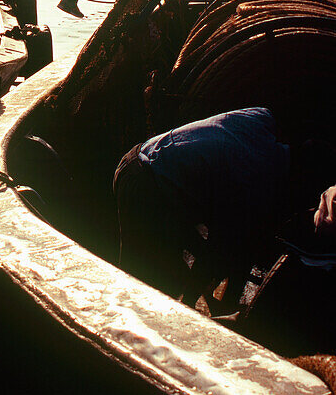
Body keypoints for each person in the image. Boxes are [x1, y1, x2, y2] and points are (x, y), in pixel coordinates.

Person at [113, 107, 335, 298]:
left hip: (142, 155)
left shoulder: (263, 118)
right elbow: (223, 247)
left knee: (171, 272)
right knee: (145, 286)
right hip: (145, 186)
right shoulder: (256, 178)